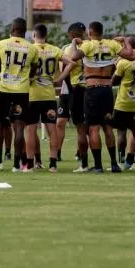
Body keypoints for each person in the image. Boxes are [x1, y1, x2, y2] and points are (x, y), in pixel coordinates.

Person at [67, 21, 135, 173]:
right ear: (102, 32)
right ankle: (113, 164)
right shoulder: (112, 44)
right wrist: (125, 40)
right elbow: (131, 56)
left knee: (93, 128)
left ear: (90, 33)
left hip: (92, 90)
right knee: (108, 127)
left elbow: (72, 57)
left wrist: (74, 43)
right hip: (107, 90)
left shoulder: (87, 45)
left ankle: (98, 165)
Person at [0, 18, 39, 172]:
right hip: (22, 90)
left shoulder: (1, 44)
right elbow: (34, 69)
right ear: (25, 31)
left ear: (12, 29)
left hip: (4, 88)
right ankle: (16, 164)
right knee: (19, 126)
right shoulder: (32, 48)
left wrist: (6, 73)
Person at [28, 24, 62, 170]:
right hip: (49, 94)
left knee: (30, 130)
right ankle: (53, 163)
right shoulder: (54, 49)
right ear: (46, 35)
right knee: (52, 129)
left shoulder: (30, 49)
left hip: (32, 95)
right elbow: (70, 61)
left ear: (34, 35)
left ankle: (32, 163)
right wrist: (60, 78)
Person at [56, 22, 88, 171]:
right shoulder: (90, 46)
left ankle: (82, 157)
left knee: (81, 126)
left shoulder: (74, 49)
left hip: (76, 90)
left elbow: (65, 70)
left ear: (70, 35)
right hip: (72, 91)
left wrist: (59, 79)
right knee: (62, 122)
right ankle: (58, 152)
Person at [112, 35, 135, 171]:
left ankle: (121, 162)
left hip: (123, 102)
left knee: (121, 132)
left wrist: (116, 66)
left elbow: (114, 81)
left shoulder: (123, 63)